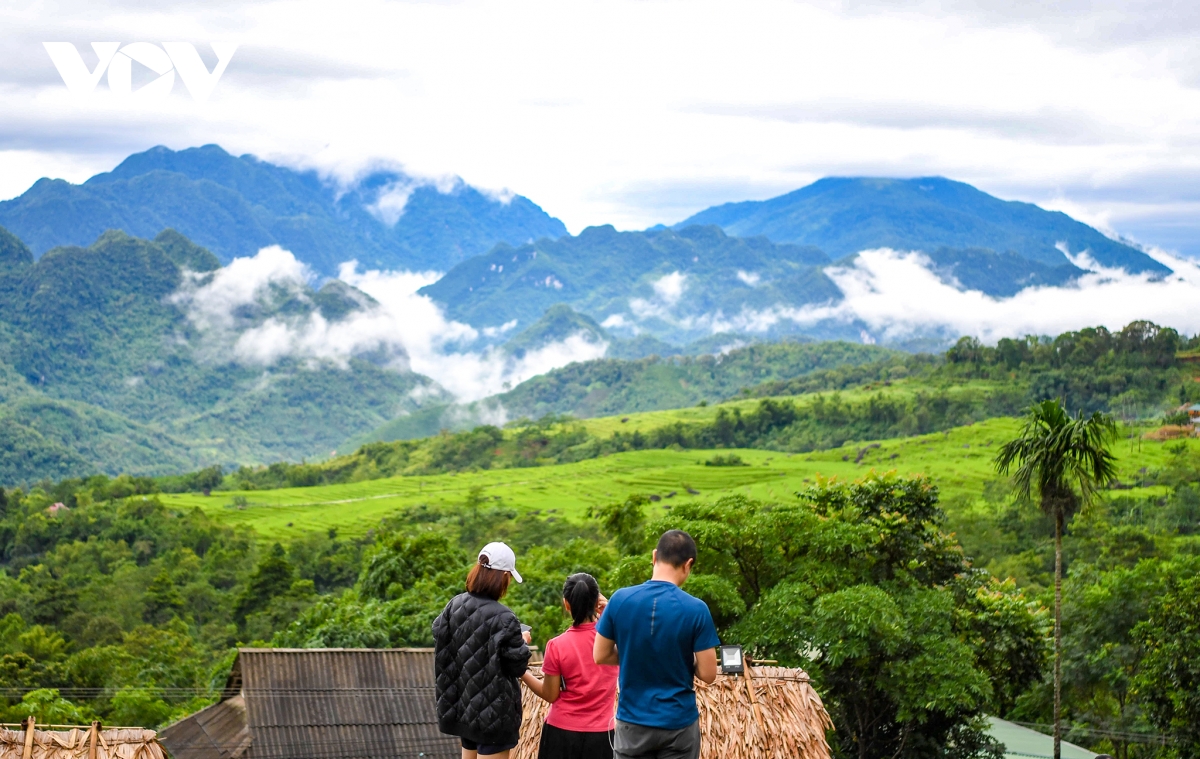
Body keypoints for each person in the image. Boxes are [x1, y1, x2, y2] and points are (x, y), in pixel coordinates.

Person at [593, 530, 720, 759]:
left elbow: (600, 655)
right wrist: (680, 657)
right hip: (678, 724)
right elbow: (709, 673)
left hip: (632, 722)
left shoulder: (620, 600)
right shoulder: (696, 609)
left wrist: (636, 652)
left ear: (654, 556)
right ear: (688, 564)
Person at [434, 541, 532, 759]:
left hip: (465, 710)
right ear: (503, 576)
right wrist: (522, 641)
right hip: (493, 717)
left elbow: (439, 633)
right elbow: (517, 666)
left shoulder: (454, 605)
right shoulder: (504, 617)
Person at [522, 573, 617, 759]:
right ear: (597, 600)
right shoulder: (614, 640)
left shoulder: (557, 645)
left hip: (561, 734)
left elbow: (550, 694)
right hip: (603, 736)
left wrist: (522, 672)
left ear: (566, 604)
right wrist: (607, 611)